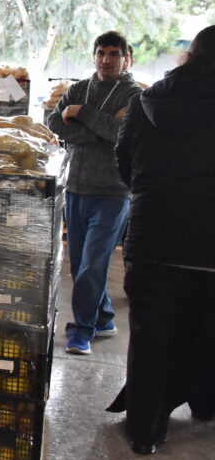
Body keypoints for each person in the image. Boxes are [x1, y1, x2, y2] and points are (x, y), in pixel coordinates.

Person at [106, 25, 215, 455]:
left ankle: (145, 430)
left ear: (190, 55)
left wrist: (152, 194)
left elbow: (124, 163)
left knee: (150, 337)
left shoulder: (144, 102)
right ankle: (204, 405)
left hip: (153, 238)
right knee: (206, 333)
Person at [47, 30, 142, 355]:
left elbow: (122, 132)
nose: (106, 59)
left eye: (114, 54)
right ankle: (103, 317)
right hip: (76, 188)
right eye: (101, 52)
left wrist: (83, 114)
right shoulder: (78, 89)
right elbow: (55, 123)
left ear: (127, 60)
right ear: (94, 56)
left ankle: (82, 330)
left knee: (92, 265)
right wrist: (95, 131)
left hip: (113, 193)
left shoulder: (133, 95)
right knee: (82, 266)